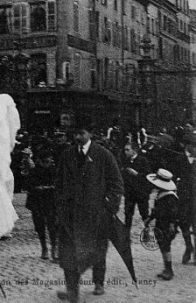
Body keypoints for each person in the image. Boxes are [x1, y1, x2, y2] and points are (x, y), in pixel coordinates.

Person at [55, 119, 123, 302]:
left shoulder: (103, 155)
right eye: (75, 134)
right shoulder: (67, 155)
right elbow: (59, 182)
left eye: (82, 133)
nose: (78, 137)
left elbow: (116, 184)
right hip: (71, 214)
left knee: (97, 248)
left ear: (90, 134)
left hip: (96, 214)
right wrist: (60, 206)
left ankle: (98, 282)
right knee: (69, 252)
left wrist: (109, 207)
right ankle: (72, 291)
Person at [144, 169, 180, 280]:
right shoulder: (161, 194)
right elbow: (157, 210)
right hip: (161, 223)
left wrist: (172, 224)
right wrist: (150, 218)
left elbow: (174, 213)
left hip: (167, 224)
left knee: (166, 246)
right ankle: (166, 268)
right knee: (162, 245)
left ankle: (169, 270)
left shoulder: (170, 196)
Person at [25, 150, 58, 261]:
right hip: (37, 202)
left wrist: (48, 188)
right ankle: (44, 247)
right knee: (40, 226)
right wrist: (39, 188)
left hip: (50, 202)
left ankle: (54, 248)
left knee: (53, 226)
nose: (47, 163)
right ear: (39, 161)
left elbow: (58, 185)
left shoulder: (54, 171)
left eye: (49, 161)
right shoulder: (33, 172)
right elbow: (28, 186)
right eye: (45, 161)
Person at [119, 142, 152, 230]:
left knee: (144, 214)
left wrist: (137, 174)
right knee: (128, 214)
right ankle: (126, 235)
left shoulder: (143, 160)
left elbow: (148, 176)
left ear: (134, 151)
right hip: (129, 193)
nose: (125, 152)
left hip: (141, 193)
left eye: (127, 150)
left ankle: (147, 231)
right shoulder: (125, 161)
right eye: (125, 150)